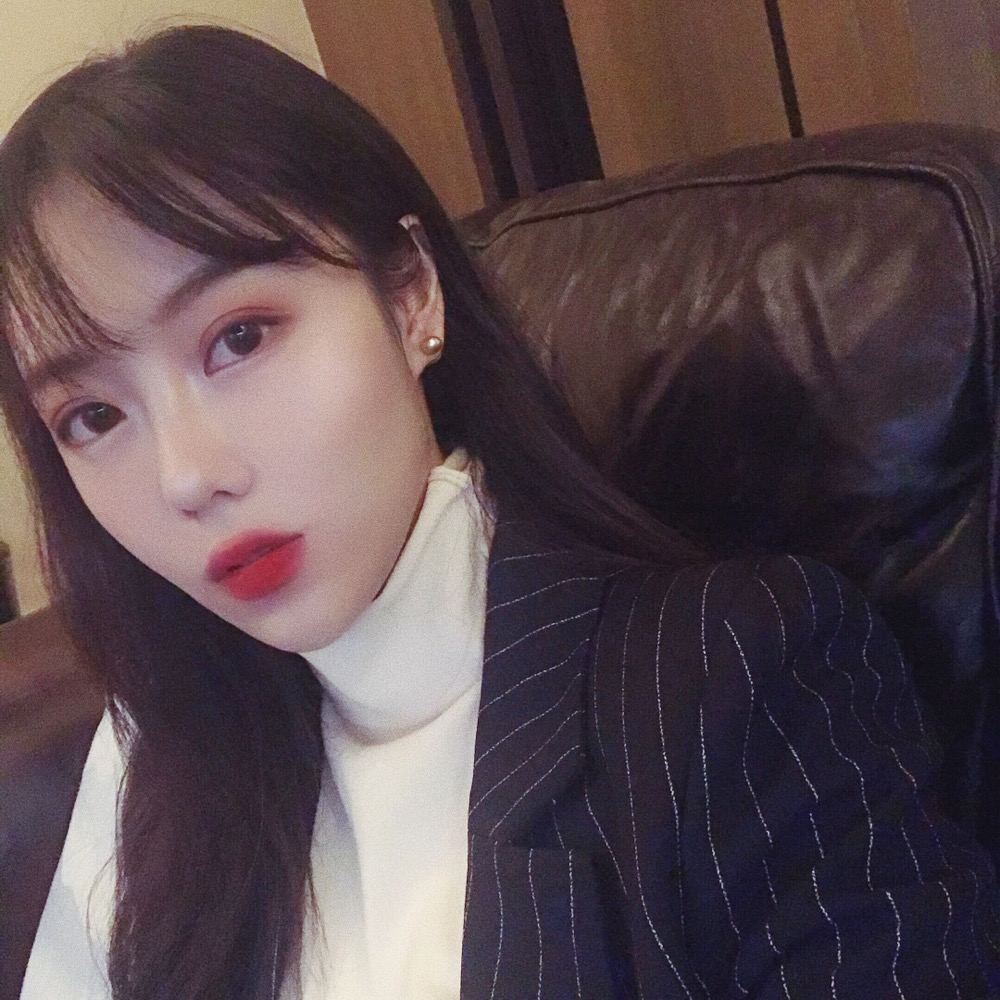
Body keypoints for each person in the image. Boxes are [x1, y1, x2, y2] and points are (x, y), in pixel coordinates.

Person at [0, 25, 997, 1000]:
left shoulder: (735, 676)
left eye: (240, 337)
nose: (187, 476)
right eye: (93, 416)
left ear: (411, 295)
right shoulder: (157, 747)